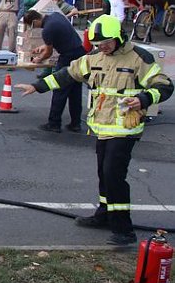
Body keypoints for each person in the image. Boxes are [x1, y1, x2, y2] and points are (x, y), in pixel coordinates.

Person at [15, 15, 173, 246]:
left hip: (125, 130)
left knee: (113, 176)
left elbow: (165, 85)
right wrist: (37, 86)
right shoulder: (94, 58)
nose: (103, 48)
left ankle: (123, 229)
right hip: (102, 128)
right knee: (103, 174)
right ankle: (104, 214)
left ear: (119, 37)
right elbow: (67, 74)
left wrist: (144, 99)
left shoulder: (139, 58)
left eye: (106, 43)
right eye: (98, 44)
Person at [22, 10, 87, 133]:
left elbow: (48, 52)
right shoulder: (56, 16)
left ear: (35, 21)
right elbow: (59, 37)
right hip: (80, 53)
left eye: (32, 25)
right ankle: (75, 123)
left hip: (67, 56)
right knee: (75, 91)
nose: (34, 28)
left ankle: (54, 123)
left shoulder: (47, 30)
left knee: (59, 88)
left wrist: (39, 59)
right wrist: (43, 47)